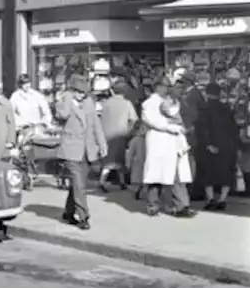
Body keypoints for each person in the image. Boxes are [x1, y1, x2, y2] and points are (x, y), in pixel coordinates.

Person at [53, 74, 107, 230]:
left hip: (87, 150)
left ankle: (68, 212)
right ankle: (84, 217)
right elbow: (61, 115)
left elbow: (96, 124)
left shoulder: (89, 103)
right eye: (78, 91)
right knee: (79, 184)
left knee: (78, 185)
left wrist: (102, 143)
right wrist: (68, 99)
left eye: (83, 92)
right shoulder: (65, 101)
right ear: (72, 90)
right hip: (71, 150)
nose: (81, 95)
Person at [140, 75, 195, 218]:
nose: (168, 89)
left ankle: (182, 205)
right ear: (158, 86)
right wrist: (172, 128)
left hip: (173, 143)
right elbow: (153, 121)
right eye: (166, 86)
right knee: (157, 175)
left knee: (177, 174)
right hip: (159, 142)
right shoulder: (149, 103)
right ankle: (153, 205)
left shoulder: (171, 102)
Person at [194, 81, 239, 211]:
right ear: (219, 94)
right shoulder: (227, 109)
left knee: (207, 173)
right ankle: (222, 199)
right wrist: (235, 146)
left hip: (209, 146)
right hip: (226, 146)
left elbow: (201, 128)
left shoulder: (204, 109)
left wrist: (208, 144)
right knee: (226, 173)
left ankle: (211, 198)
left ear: (207, 94)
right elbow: (234, 129)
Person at [98, 78, 138, 190]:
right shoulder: (126, 103)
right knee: (119, 160)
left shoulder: (106, 103)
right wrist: (130, 130)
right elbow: (134, 119)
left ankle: (104, 180)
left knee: (108, 160)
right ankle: (120, 182)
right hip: (120, 135)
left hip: (106, 135)